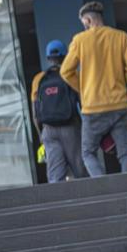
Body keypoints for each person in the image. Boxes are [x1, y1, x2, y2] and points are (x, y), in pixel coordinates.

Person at [60, 0, 127, 177]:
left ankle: (104, 187)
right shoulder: (121, 37)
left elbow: (65, 71)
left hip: (93, 108)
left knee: (88, 153)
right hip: (119, 105)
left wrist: (83, 88)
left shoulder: (80, 40)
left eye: (83, 23)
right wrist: (118, 82)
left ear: (87, 20)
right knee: (125, 152)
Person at [31, 40, 86, 183]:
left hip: (49, 130)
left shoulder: (39, 79)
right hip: (71, 128)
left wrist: (41, 135)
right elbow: (82, 103)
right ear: (65, 56)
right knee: (80, 170)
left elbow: (35, 113)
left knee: (55, 175)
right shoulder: (72, 75)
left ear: (48, 58)